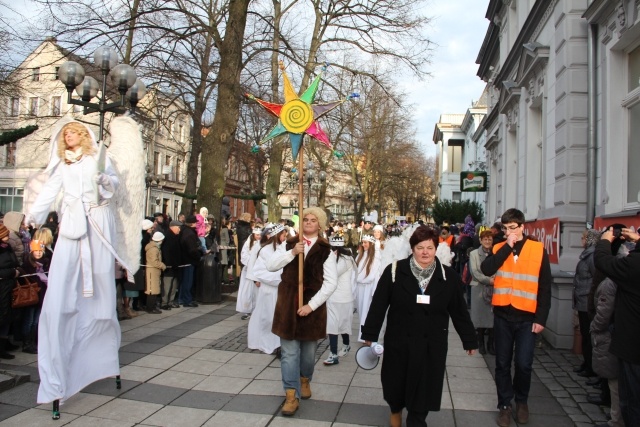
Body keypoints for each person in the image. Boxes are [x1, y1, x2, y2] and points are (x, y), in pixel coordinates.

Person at [27, 121, 123, 406]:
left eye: (73, 132)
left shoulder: (96, 159)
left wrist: (105, 182)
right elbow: (49, 191)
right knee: (63, 286)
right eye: (65, 133)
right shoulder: (62, 165)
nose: (68, 137)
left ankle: (99, 352)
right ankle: (57, 374)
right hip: (71, 226)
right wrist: (34, 215)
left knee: (98, 281)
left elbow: (114, 184)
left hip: (95, 223)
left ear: (82, 135)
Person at [361, 225, 477, 427]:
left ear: (436, 249)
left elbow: (459, 311)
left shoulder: (448, 277)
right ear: (412, 248)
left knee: (424, 384)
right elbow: (379, 305)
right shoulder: (396, 271)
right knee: (396, 381)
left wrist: (469, 339)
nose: (425, 252)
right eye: (420, 247)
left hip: (431, 342)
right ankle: (395, 408)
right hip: (400, 339)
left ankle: (416, 419)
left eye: (430, 248)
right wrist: (370, 333)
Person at [481, 208, 551, 427]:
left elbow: (545, 287)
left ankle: (522, 401)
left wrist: (541, 318)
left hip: (527, 317)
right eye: (505, 228)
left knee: (523, 363)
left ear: (522, 227)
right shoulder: (500, 247)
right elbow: (486, 268)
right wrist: (507, 247)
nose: (509, 231)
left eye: (513, 227)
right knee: (502, 363)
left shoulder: (538, 249)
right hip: (503, 314)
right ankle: (504, 405)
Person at [265, 207, 338, 416]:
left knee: (307, 355)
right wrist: (292, 253)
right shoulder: (289, 243)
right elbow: (270, 265)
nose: (308, 222)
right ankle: (290, 394)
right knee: (288, 354)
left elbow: (330, 283)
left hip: (312, 308)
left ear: (320, 225)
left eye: (313, 220)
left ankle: (305, 379)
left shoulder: (326, 250)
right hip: (288, 305)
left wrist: (311, 306)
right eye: (305, 219)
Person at [593, 226, 640, 427]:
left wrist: (604, 240)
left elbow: (603, 262)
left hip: (632, 345)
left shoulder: (634, 264)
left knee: (631, 399)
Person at [591, 240, 630, 427]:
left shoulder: (612, 281)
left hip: (614, 334)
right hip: (621, 334)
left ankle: (617, 420)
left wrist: (595, 327)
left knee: (615, 381)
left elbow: (604, 310)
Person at [247, 224, 286, 354]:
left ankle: (280, 343)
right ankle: (269, 343)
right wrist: (279, 280)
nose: (285, 237)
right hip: (270, 290)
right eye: (283, 235)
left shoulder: (285, 248)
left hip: (282, 290)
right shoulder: (265, 250)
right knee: (268, 317)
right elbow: (259, 271)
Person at [323, 235, 356, 365]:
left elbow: (333, 274)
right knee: (332, 325)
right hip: (332, 297)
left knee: (343, 325)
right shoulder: (333, 258)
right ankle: (333, 354)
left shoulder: (346, 259)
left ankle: (346, 345)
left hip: (344, 297)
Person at [573, 229, 600, 377]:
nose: (581, 240)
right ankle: (586, 363)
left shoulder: (592, 256)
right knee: (584, 334)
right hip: (582, 300)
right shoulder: (587, 254)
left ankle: (591, 367)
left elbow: (596, 279)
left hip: (587, 301)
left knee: (589, 336)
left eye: (583, 238)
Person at [20, 239, 50, 353]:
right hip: (31, 296)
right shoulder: (27, 263)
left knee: (36, 321)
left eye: (40, 250)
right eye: (36, 250)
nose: (38, 253)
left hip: (41, 295)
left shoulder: (45, 263)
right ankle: (26, 343)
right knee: (29, 320)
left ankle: (33, 341)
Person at [469, 229, 495, 355]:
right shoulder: (474, 254)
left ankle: (491, 344)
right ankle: (480, 343)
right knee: (480, 318)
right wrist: (489, 280)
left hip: (493, 289)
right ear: (480, 240)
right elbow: (474, 272)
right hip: (478, 287)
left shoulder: (496, 252)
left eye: (490, 239)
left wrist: (494, 280)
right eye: (485, 239)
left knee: (492, 318)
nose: (487, 241)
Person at [0, 224, 21, 359]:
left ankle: (5, 342)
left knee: (7, 317)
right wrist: (13, 272)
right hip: (2, 287)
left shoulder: (7, 247)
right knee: (2, 316)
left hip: (9, 286)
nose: (8, 237)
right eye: (5, 235)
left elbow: (14, 262)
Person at [355, 234, 381, 342]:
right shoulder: (359, 256)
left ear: (371, 244)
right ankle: (362, 335)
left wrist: (374, 291)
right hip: (360, 288)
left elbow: (376, 275)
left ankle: (366, 336)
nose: (363, 245)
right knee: (361, 311)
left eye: (366, 242)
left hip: (368, 288)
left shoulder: (375, 258)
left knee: (367, 311)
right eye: (363, 242)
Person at [236, 227, 262, 319]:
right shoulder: (248, 243)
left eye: (260, 235)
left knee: (256, 291)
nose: (258, 237)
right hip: (248, 271)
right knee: (247, 291)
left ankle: (256, 309)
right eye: (257, 235)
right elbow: (244, 255)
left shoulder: (261, 244)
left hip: (257, 271)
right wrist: (250, 263)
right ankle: (247, 310)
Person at [179, 215, 201, 307]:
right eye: (195, 222)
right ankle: (187, 300)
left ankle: (182, 299)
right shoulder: (189, 234)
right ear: (192, 224)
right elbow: (192, 250)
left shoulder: (184, 231)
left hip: (184, 260)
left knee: (184, 281)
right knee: (188, 281)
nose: (196, 224)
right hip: (189, 260)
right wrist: (198, 255)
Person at [161, 220, 182, 309]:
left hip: (175, 266)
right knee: (167, 285)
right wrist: (169, 263)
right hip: (169, 266)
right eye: (178, 228)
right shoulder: (168, 237)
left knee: (174, 285)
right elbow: (166, 252)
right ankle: (164, 302)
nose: (179, 230)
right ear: (173, 227)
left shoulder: (176, 237)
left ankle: (171, 301)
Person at [145, 231, 166, 314]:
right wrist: (162, 265)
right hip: (152, 271)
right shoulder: (154, 249)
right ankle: (150, 307)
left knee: (154, 289)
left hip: (154, 271)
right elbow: (154, 261)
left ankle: (152, 306)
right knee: (152, 290)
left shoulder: (154, 248)